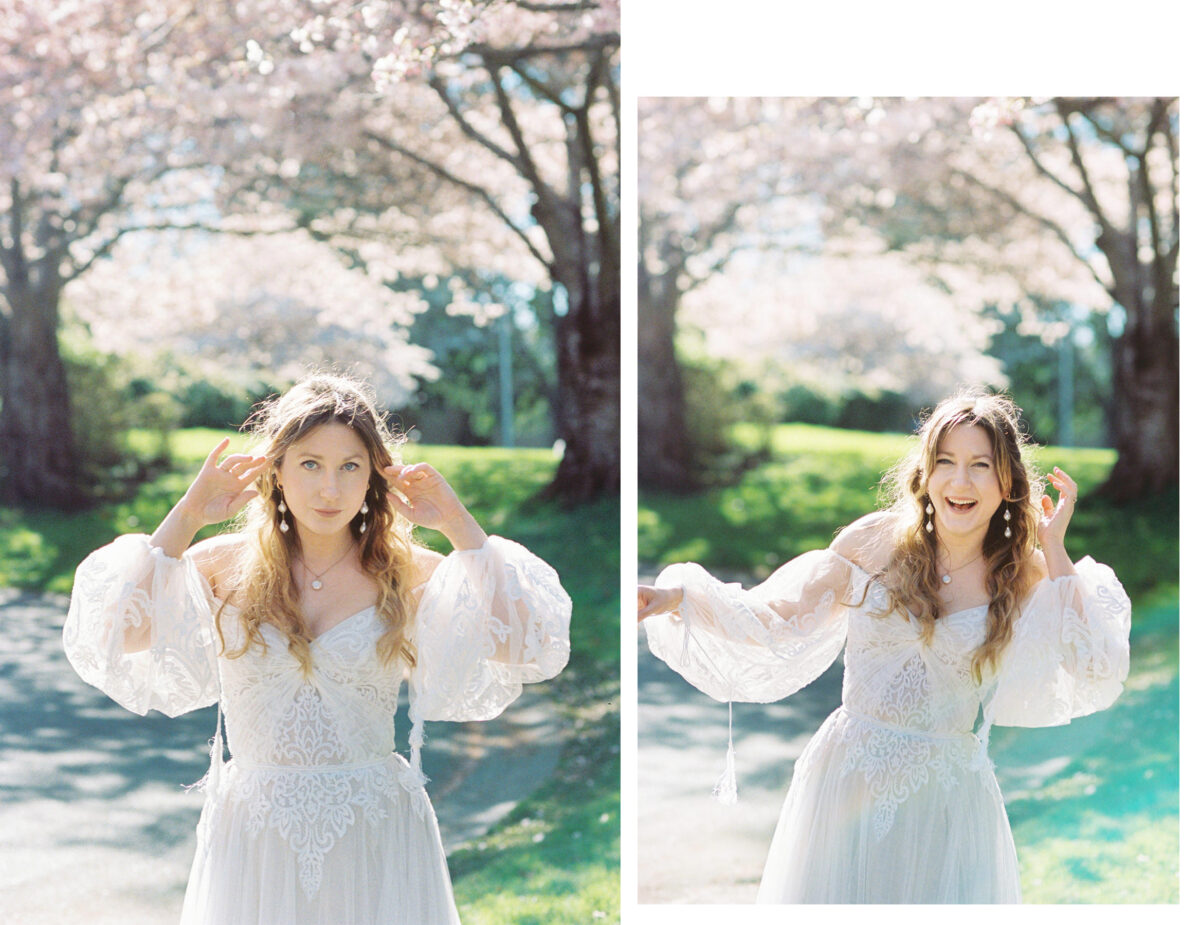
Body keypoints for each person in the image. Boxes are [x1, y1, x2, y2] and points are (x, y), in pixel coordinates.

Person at [64, 374, 571, 924]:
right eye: (310, 464)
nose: (330, 489)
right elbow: (114, 635)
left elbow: (528, 644)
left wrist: (457, 523)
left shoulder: (410, 573)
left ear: (374, 476)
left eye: (349, 466)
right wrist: (185, 517)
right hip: (257, 833)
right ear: (276, 470)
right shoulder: (219, 566)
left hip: (373, 827)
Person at [637, 390, 1130, 903]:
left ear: (1008, 480)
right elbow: (777, 621)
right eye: (946, 462)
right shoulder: (873, 543)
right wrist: (676, 598)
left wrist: (1052, 547)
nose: (960, 482)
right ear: (925, 472)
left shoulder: (1024, 573)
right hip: (848, 778)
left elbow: (1095, 665)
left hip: (949, 800)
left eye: (980, 465)